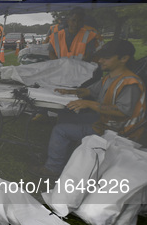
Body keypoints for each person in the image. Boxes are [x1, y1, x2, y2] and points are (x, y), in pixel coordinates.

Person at [34, 39, 146, 179]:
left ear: (124, 58)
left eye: (106, 58)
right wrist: (69, 92)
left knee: (60, 130)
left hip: (117, 130)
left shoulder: (130, 83)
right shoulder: (111, 77)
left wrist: (90, 104)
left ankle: (53, 168)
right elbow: (89, 91)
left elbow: (122, 111)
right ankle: (63, 154)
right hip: (106, 121)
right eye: (100, 57)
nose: (100, 60)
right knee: (64, 116)